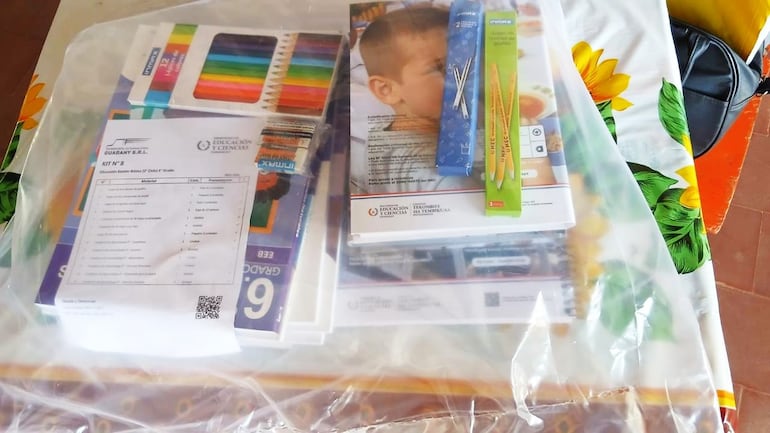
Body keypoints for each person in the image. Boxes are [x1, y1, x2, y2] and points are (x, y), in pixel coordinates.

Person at [350, 5, 482, 195]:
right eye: (441, 69)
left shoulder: (380, 133)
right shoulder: (448, 178)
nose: (464, 78)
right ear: (386, 90)